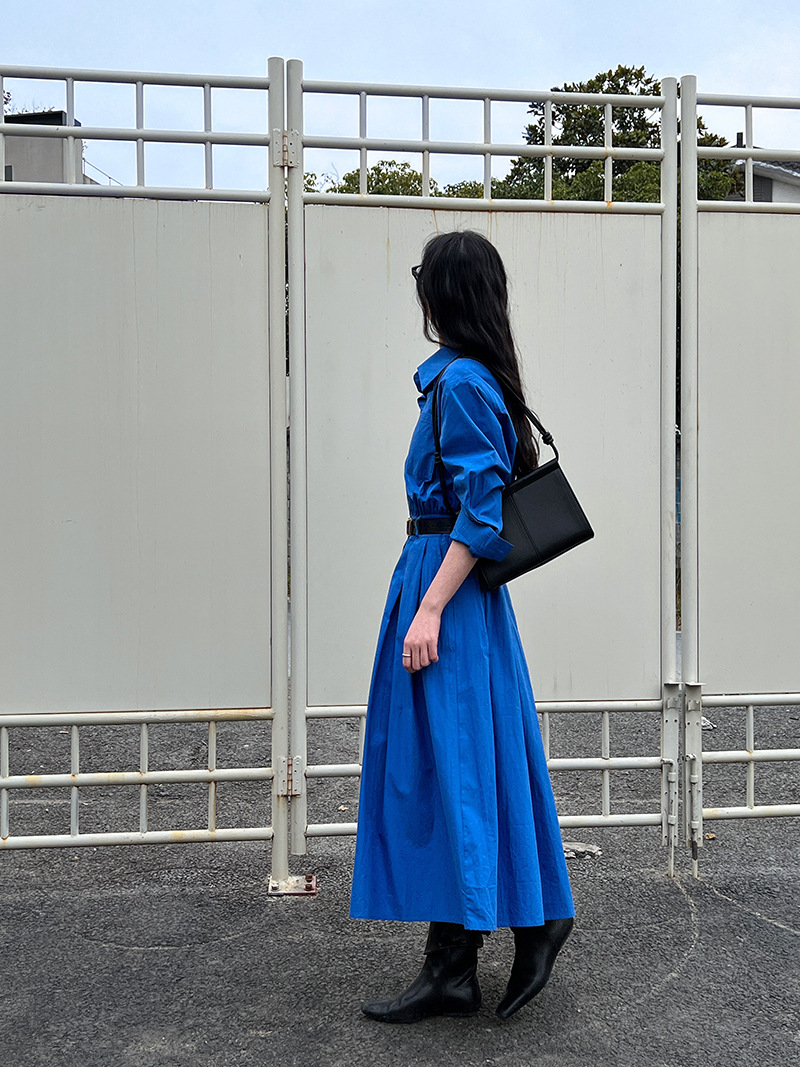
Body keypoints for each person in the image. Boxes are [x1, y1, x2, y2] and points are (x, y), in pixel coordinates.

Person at [349, 230, 575, 1023]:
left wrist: (431, 607)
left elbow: (480, 515)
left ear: (442, 291)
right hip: (443, 584)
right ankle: (460, 961)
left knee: (459, 765)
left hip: (449, 592)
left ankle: (501, 937)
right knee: (454, 767)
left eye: (423, 277)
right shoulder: (458, 379)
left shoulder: (464, 385)